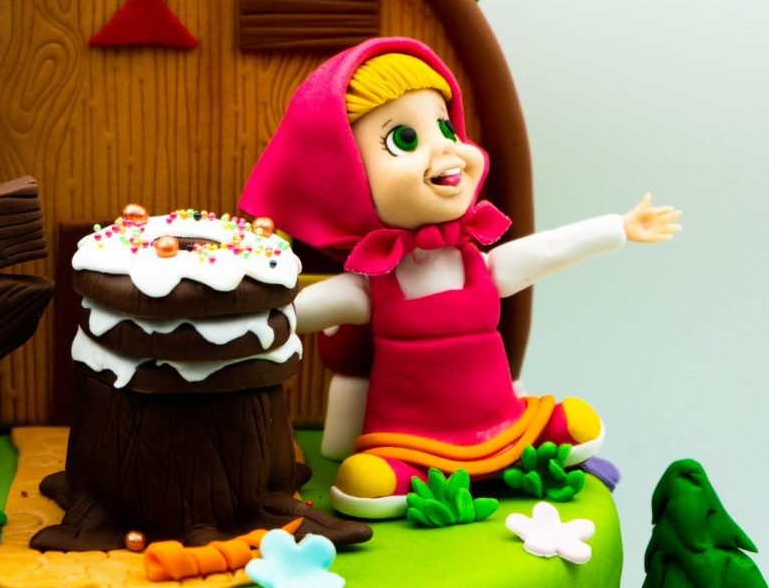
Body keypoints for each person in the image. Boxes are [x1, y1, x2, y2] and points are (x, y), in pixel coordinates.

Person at [239, 37, 680, 519]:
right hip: (409, 437)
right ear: (348, 177)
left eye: (446, 127)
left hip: (500, 421)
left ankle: (526, 438)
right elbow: (298, 312)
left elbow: (547, 249)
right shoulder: (373, 281)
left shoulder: (480, 263)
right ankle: (399, 473)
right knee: (368, 479)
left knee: (574, 423)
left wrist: (617, 228)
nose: (447, 149)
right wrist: (234, 320)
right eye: (405, 140)